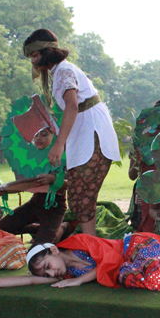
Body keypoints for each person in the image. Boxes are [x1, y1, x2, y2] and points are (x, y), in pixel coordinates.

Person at [23, 29, 120, 237]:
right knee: (79, 195)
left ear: (46, 51)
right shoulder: (58, 72)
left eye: (34, 55)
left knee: (82, 195)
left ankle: (90, 244)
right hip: (84, 133)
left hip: (93, 133)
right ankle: (89, 242)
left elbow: (72, 105)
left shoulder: (64, 71)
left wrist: (59, 144)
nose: (32, 61)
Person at [0, 232, 160, 292]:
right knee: (134, 277)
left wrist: (79, 281)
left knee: (138, 272)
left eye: (47, 267)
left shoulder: (80, 242)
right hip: (128, 266)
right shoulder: (64, 273)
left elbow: (110, 261)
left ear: (54, 250)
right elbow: (30, 280)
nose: (50, 274)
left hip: (138, 245)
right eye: (46, 275)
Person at [0, 128, 69, 244]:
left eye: (44, 134)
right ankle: (38, 229)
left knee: (41, 247)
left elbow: (71, 183)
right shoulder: (32, 159)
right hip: (34, 204)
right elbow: (25, 185)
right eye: (35, 135)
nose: (38, 138)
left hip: (54, 209)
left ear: (54, 137)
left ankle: (61, 229)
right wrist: (6, 190)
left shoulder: (63, 157)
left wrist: (53, 179)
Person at [128, 98, 160, 232]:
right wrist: (137, 161)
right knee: (147, 229)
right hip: (146, 192)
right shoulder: (141, 139)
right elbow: (132, 175)